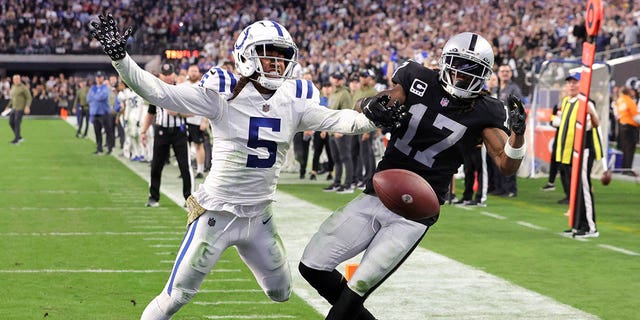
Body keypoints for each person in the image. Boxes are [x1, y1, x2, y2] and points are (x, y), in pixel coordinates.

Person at [90, 15, 395, 320]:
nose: (276, 64)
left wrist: (374, 117)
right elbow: (160, 92)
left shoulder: (294, 99)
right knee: (176, 295)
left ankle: (243, 247)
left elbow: (339, 120)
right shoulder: (224, 93)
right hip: (216, 215)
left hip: (260, 217)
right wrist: (121, 59)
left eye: (281, 57)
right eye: (268, 54)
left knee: (281, 292)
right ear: (246, 56)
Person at [299, 32, 527, 320]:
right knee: (311, 266)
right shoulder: (418, 79)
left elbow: (506, 164)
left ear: (484, 77)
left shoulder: (486, 110)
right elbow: (373, 104)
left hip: (415, 212)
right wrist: (371, 105)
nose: (460, 77)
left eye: (471, 73)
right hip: (378, 192)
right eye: (456, 67)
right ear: (445, 63)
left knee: (355, 292)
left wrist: (518, 135)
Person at [555, 73, 603, 238]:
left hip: (583, 151)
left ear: (581, 85)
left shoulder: (586, 103)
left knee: (584, 188)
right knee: (573, 190)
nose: (571, 85)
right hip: (568, 153)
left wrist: (591, 112)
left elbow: (596, 123)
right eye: (569, 83)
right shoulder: (566, 101)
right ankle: (577, 224)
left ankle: (590, 227)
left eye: (575, 83)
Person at [138, 63, 193, 208]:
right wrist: (143, 131)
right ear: (160, 75)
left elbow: (192, 111)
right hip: (161, 131)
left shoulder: (181, 90)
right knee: (156, 165)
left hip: (179, 132)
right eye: (165, 74)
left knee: (184, 166)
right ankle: (153, 196)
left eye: (170, 74)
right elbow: (151, 113)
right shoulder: (155, 91)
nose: (167, 77)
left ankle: (189, 198)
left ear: (174, 75)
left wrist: (178, 112)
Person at [488, 63, 523, 197]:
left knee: (510, 158)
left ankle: (510, 189)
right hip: (497, 127)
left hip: (509, 128)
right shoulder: (496, 89)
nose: (504, 73)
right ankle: (499, 187)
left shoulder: (513, 88)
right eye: (502, 71)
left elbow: (518, 107)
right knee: (497, 157)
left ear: (511, 74)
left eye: (507, 71)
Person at [324, 72, 355, 193]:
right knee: (336, 158)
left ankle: (348, 184)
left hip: (341, 131)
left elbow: (348, 113)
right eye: (335, 78)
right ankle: (337, 182)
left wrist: (342, 130)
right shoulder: (333, 93)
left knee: (346, 157)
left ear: (343, 80)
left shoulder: (344, 94)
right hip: (332, 130)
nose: (337, 81)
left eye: (339, 79)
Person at [181, 64, 208, 179]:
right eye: (191, 71)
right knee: (184, 147)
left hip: (197, 120)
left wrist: (205, 121)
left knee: (199, 145)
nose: (193, 73)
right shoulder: (183, 86)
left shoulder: (203, 86)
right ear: (188, 72)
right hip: (184, 120)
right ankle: (186, 170)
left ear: (199, 73)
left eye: (195, 71)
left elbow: (208, 104)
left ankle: (200, 170)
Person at [86, 71, 115, 155]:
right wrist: (95, 96)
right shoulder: (93, 88)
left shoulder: (105, 87)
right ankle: (99, 149)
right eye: (97, 77)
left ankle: (110, 149)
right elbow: (88, 99)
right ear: (95, 78)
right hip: (95, 113)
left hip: (104, 113)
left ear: (103, 78)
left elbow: (102, 97)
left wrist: (93, 96)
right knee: (97, 132)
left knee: (108, 131)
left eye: (100, 77)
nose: (99, 78)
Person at [614, 86, 639, 176]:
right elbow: (636, 116)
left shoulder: (619, 101)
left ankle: (624, 168)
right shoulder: (629, 101)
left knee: (625, 148)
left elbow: (616, 113)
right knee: (630, 149)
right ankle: (627, 169)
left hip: (622, 125)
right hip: (630, 127)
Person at [3, 74, 32, 144]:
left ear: (20, 80)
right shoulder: (13, 86)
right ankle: (19, 137)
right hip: (14, 108)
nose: (16, 80)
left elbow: (29, 97)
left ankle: (16, 140)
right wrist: (8, 106)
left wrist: (27, 106)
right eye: (14, 79)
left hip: (20, 108)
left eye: (17, 79)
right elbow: (13, 98)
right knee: (10, 122)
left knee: (17, 123)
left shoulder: (23, 87)